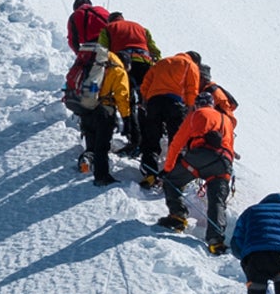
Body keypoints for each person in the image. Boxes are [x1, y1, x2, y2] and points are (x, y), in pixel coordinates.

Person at [158, 89, 237, 252]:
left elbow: (177, 143)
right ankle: (216, 240)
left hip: (200, 156)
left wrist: (167, 169)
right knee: (217, 200)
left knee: (172, 180)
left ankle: (178, 216)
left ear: (198, 104)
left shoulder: (196, 115)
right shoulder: (227, 121)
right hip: (224, 163)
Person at [97, 12, 160, 152]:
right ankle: (152, 139)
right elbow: (155, 51)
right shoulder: (142, 28)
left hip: (125, 65)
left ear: (110, 21)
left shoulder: (107, 29)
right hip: (146, 64)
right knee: (147, 102)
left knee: (128, 102)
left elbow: (102, 53)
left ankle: (135, 140)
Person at [137, 50, 201, 186]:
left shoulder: (162, 62)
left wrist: (144, 99)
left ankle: (150, 173)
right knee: (176, 140)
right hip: (175, 103)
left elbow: (146, 81)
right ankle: (175, 175)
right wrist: (190, 108)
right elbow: (192, 88)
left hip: (154, 102)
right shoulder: (191, 65)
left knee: (151, 138)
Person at [75, 48, 132, 185]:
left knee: (91, 141)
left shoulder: (95, 63)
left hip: (86, 107)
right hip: (104, 110)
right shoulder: (118, 70)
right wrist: (126, 117)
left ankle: (87, 160)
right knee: (102, 146)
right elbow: (122, 96)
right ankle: (101, 177)